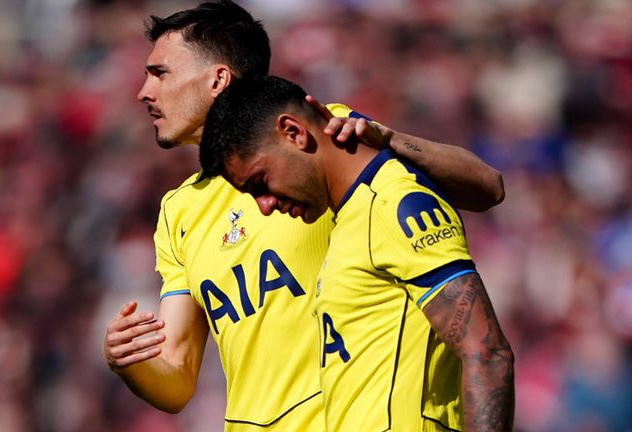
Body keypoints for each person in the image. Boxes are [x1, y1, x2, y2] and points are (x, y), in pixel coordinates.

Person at [102, 1, 506, 430]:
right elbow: (178, 379)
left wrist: (391, 140)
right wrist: (129, 360)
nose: (144, 92)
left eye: (160, 73)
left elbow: (487, 187)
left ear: (217, 79)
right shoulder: (178, 211)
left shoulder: (319, 136)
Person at [198, 75, 515, 431]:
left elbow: (487, 353)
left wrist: (391, 139)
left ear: (294, 132)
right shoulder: (350, 221)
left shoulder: (392, 203)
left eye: (260, 183)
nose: (265, 206)